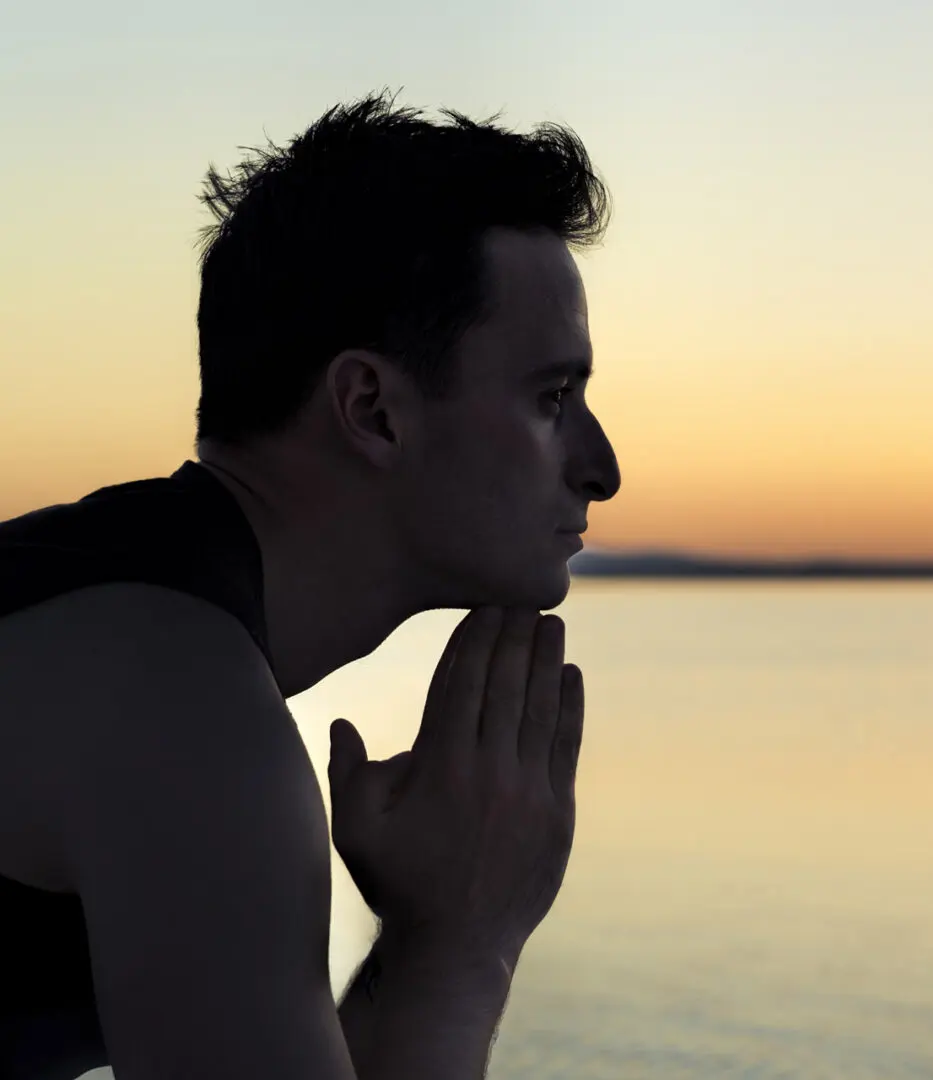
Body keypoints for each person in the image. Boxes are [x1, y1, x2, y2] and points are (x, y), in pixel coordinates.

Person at [0, 90, 622, 1079]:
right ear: (372, 408)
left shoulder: (115, 614)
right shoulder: (175, 713)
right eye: (552, 398)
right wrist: (463, 946)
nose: (602, 467)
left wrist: (437, 933)